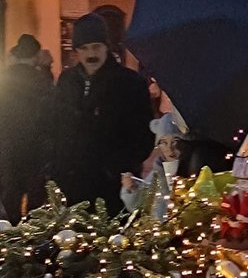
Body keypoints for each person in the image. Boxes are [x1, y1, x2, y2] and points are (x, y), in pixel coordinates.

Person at [49, 13, 153, 215]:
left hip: (111, 189)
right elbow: (54, 124)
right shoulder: (67, 81)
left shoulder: (130, 84)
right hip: (70, 186)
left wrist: (115, 168)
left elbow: (143, 136)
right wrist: (53, 167)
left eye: (96, 46)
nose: (91, 54)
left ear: (107, 46)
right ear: (77, 51)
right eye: (84, 48)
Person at [0, 34, 54, 222]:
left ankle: (11, 234)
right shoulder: (41, 78)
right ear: (36, 55)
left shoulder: (4, 78)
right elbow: (50, 110)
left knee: (10, 195)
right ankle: (32, 235)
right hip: (35, 147)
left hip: (8, 146)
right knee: (35, 198)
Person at [121, 113, 184, 217]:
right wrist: (132, 188)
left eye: (175, 142)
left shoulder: (191, 167)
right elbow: (138, 206)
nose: (169, 148)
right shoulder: (157, 172)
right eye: (164, 142)